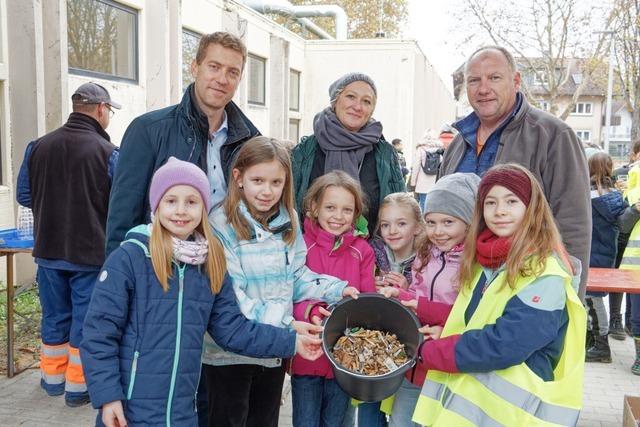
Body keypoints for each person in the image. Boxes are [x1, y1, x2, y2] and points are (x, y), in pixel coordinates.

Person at [80, 157, 324, 427]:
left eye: (192, 201)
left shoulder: (210, 265)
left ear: (203, 208)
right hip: (129, 411)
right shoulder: (130, 259)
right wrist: (108, 397)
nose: (181, 210)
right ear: (156, 205)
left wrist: (291, 341)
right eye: (171, 201)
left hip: (183, 413)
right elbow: (98, 335)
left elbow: (233, 329)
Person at [412, 163, 586, 426]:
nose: (500, 211)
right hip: (476, 405)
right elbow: (479, 318)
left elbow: (507, 343)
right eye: (490, 202)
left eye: (511, 201)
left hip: (514, 413)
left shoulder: (545, 271)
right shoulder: (487, 260)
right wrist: (443, 335)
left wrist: (431, 351)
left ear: (532, 207)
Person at [203, 137, 359, 427]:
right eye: (258, 180)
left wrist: (336, 287)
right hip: (229, 356)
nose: (267, 191)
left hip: (272, 353)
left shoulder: (288, 221)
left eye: (276, 182)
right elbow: (235, 299)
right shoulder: (220, 225)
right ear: (238, 178)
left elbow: (297, 275)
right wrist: (287, 323)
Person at [439, 45, 591, 299]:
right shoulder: (458, 143)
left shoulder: (553, 135)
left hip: (524, 290)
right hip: (461, 289)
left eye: (494, 78)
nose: (483, 88)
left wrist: (565, 297)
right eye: (474, 80)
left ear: (516, 81)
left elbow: (574, 224)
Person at [106, 31, 259, 256]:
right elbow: (122, 218)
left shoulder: (251, 140)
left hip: (233, 271)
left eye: (232, 72)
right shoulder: (148, 130)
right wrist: (120, 280)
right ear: (195, 67)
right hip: (165, 268)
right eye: (214, 67)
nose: (222, 79)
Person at [15, 82, 119, 407]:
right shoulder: (108, 153)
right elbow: (120, 203)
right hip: (89, 256)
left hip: (47, 252)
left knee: (54, 316)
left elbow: (23, 195)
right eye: (110, 111)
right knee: (85, 321)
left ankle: (52, 381)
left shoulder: (38, 146)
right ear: (101, 109)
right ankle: (77, 389)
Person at [379, 173, 479, 427]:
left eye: (448, 222)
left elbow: (470, 314)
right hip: (416, 362)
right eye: (431, 222)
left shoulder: (475, 263)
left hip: (449, 367)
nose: (438, 231)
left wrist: (419, 305)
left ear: (468, 221)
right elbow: (419, 297)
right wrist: (402, 295)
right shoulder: (425, 254)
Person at [290, 171, 376, 427]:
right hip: (308, 355)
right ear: (314, 207)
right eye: (330, 207)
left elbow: (367, 299)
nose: (338, 216)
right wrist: (310, 310)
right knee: (306, 421)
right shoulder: (300, 245)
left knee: (336, 422)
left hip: (344, 360)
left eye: (347, 210)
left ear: (356, 213)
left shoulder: (362, 250)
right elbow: (290, 291)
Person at [292, 72, 405, 235]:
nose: (358, 106)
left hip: (370, 256)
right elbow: (291, 208)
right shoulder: (305, 151)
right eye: (351, 97)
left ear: (371, 110)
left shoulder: (385, 154)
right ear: (335, 101)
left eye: (366, 101)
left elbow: (401, 209)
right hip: (311, 255)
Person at [585, 152, 627, 363]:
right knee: (593, 299)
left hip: (590, 252)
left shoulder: (587, 196)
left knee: (591, 299)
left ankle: (601, 346)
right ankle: (595, 342)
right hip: (606, 253)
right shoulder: (616, 196)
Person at [609, 139, 640, 339]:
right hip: (624, 240)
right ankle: (617, 320)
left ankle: (627, 322)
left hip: (631, 242)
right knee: (622, 282)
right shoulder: (623, 173)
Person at [370, 193, 424, 289]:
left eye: (401, 224)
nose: (392, 231)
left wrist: (406, 290)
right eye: (385, 225)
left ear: (417, 227)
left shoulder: (426, 262)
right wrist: (370, 285)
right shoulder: (371, 253)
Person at [410, 138, 445, 212]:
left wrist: (413, 183)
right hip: (435, 184)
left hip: (422, 184)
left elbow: (416, 167)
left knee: (423, 204)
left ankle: (424, 222)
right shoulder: (440, 150)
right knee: (434, 205)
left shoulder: (421, 149)